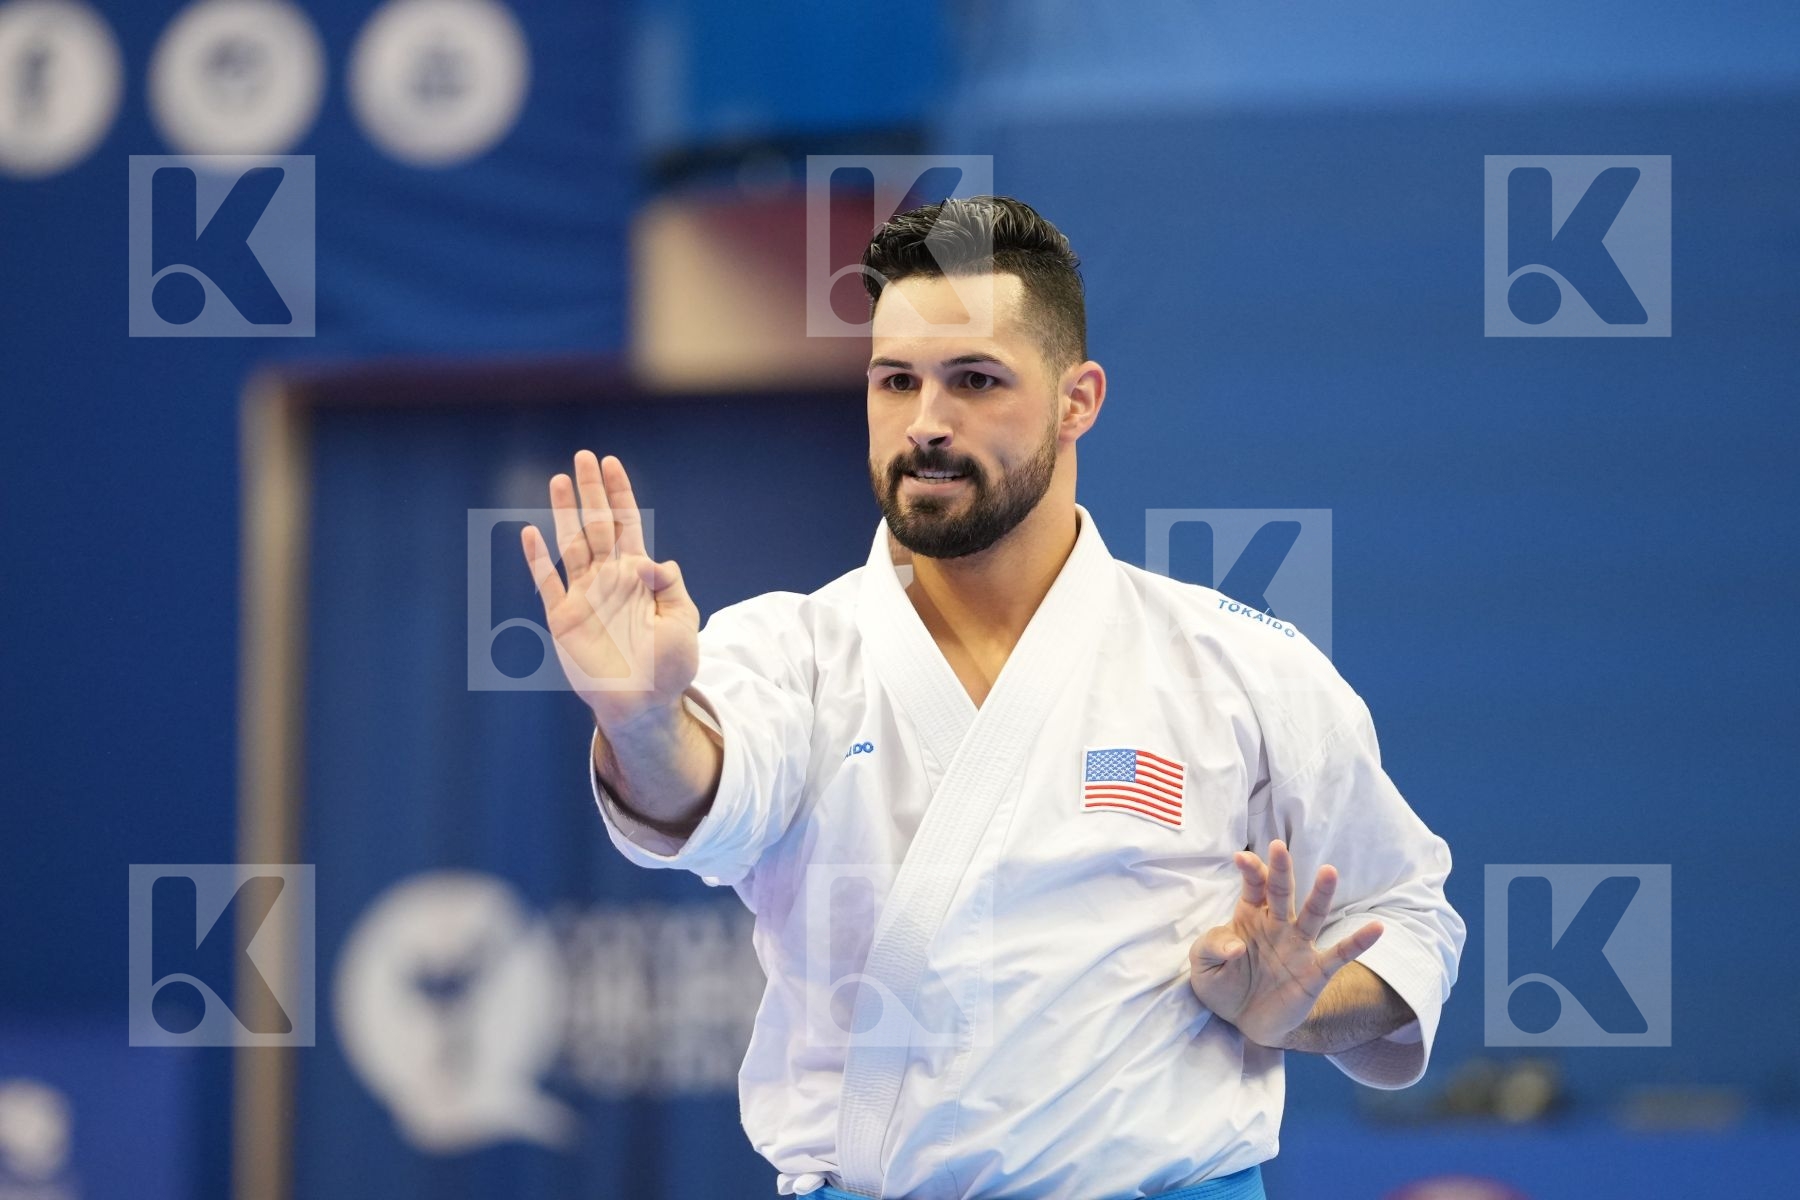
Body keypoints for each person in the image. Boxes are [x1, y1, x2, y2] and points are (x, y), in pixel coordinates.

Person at [520, 195, 1466, 1200]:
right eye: (896, 381)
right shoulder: (788, 650)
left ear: (1078, 399)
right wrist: (639, 719)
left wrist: (1299, 1014)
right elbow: (705, 797)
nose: (925, 423)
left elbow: (1410, 916)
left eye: (974, 380)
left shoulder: (1238, 666)